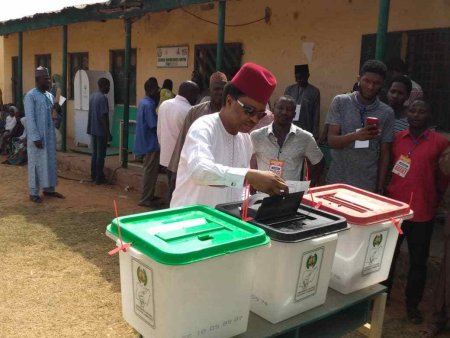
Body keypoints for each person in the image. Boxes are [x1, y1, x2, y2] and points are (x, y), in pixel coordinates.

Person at [170, 62, 288, 208]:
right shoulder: (203, 127)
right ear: (229, 100)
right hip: (189, 224)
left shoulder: (245, 139)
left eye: (260, 114)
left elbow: (237, 190)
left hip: (225, 225)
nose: (254, 119)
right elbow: (200, 170)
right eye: (249, 110)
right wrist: (248, 176)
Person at [385, 100, 449, 324]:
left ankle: (412, 306)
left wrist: (436, 197)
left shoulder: (440, 142)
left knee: (418, 262)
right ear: (406, 113)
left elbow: (443, 175)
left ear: (430, 115)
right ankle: (382, 298)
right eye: (413, 110)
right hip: (395, 210)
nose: (417, 114)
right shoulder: (397, 140)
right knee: (387, 258)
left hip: (423, 212)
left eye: (422, 110)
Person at [326, 59, 394, 193]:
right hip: (337, 180)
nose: (370, 86)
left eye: (376, 83)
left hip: (367, 184)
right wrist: (356, 136)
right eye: (367, 81)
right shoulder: (340, 102)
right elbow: (332, 141)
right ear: (359, 78)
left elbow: (385, 153)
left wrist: (380, 186)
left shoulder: (387, 112)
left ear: (382, 84)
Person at [251, 95, 324, 184]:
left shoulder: (305, 138)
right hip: (263, 194)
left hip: (291, 195)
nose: (284, 112)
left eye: (289, 110)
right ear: (273, 110)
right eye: (280, 108)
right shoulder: (257, 136)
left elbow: (319, 162)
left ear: (294, 114)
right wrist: (253, 182)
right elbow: (244, 161)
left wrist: (309, 185)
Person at [167, 71, 228, 178]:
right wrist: (175, 169)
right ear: (210, 91)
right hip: (197, 170)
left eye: (223, 89)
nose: (220, 92)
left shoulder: (232, 114)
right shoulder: (196, 112)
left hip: (223, 172)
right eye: (216, 89)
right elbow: (183, 140)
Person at [24, 67, 64, 203]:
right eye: (45, 79)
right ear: (37, 80)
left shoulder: (49, 95)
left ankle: (49, 190)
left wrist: (58, 109)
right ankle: (33, 192)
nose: (48, 82)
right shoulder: (30, 96)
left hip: (49, 135)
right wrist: (35, 137)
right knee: (36, 164)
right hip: (38, 138)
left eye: (48, 79)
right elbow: (30, 118)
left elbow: (55, 115)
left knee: (50, 162)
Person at [157, 81, 199, 200]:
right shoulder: (190, 110)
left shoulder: (164, 105)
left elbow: (159, 130)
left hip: (166, 156)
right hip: (180, 159)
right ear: (189, 94)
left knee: (172, 187)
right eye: (195, 94)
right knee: (178, 191)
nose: (196, 98)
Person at [134, 77, 163, 208]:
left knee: (149, 170)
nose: (158, 92)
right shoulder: (149, 104)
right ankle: (146, 198)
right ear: (151, 90)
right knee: (150, 172)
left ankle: (149, 195)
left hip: (144, 141)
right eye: (156, 89)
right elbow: (153, 125)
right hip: (150, 143)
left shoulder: (143, 102)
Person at [284, 64, 321, 139]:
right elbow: (283, 109)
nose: (299, 80)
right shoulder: (289, 90)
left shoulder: (314, 92)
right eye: (297, 78)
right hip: (289, 129)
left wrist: (315, 134)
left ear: (308, 76)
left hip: (306, 130)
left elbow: (316, 115)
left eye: (302, 77)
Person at [87, 78, 112, 185]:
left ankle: (93, 175)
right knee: (100, 155)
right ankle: (98, 177)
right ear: (104, 86)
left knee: (95, 154)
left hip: (93, 129)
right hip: (101, 131)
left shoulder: (92, 96)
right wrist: (108, 132)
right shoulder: (103, 98)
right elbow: (103, 116)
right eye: (108, 86)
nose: (109, 88)